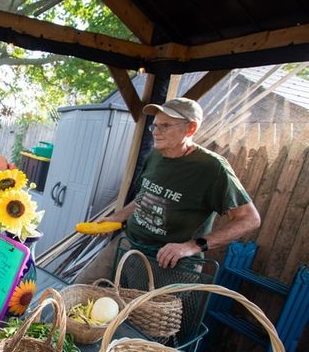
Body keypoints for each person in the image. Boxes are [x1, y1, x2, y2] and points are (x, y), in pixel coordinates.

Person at [75, 97, 261, 283]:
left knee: (138, 312)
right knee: (78, 290)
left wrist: (191, 246)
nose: (156, 132)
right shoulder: (155, 155)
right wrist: (117, 217)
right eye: (154, 126)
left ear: (191, 128)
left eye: (165, 126)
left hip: (167, 263)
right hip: (127, 244)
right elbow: (145, 196)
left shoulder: (212, 168)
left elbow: (249, 219)